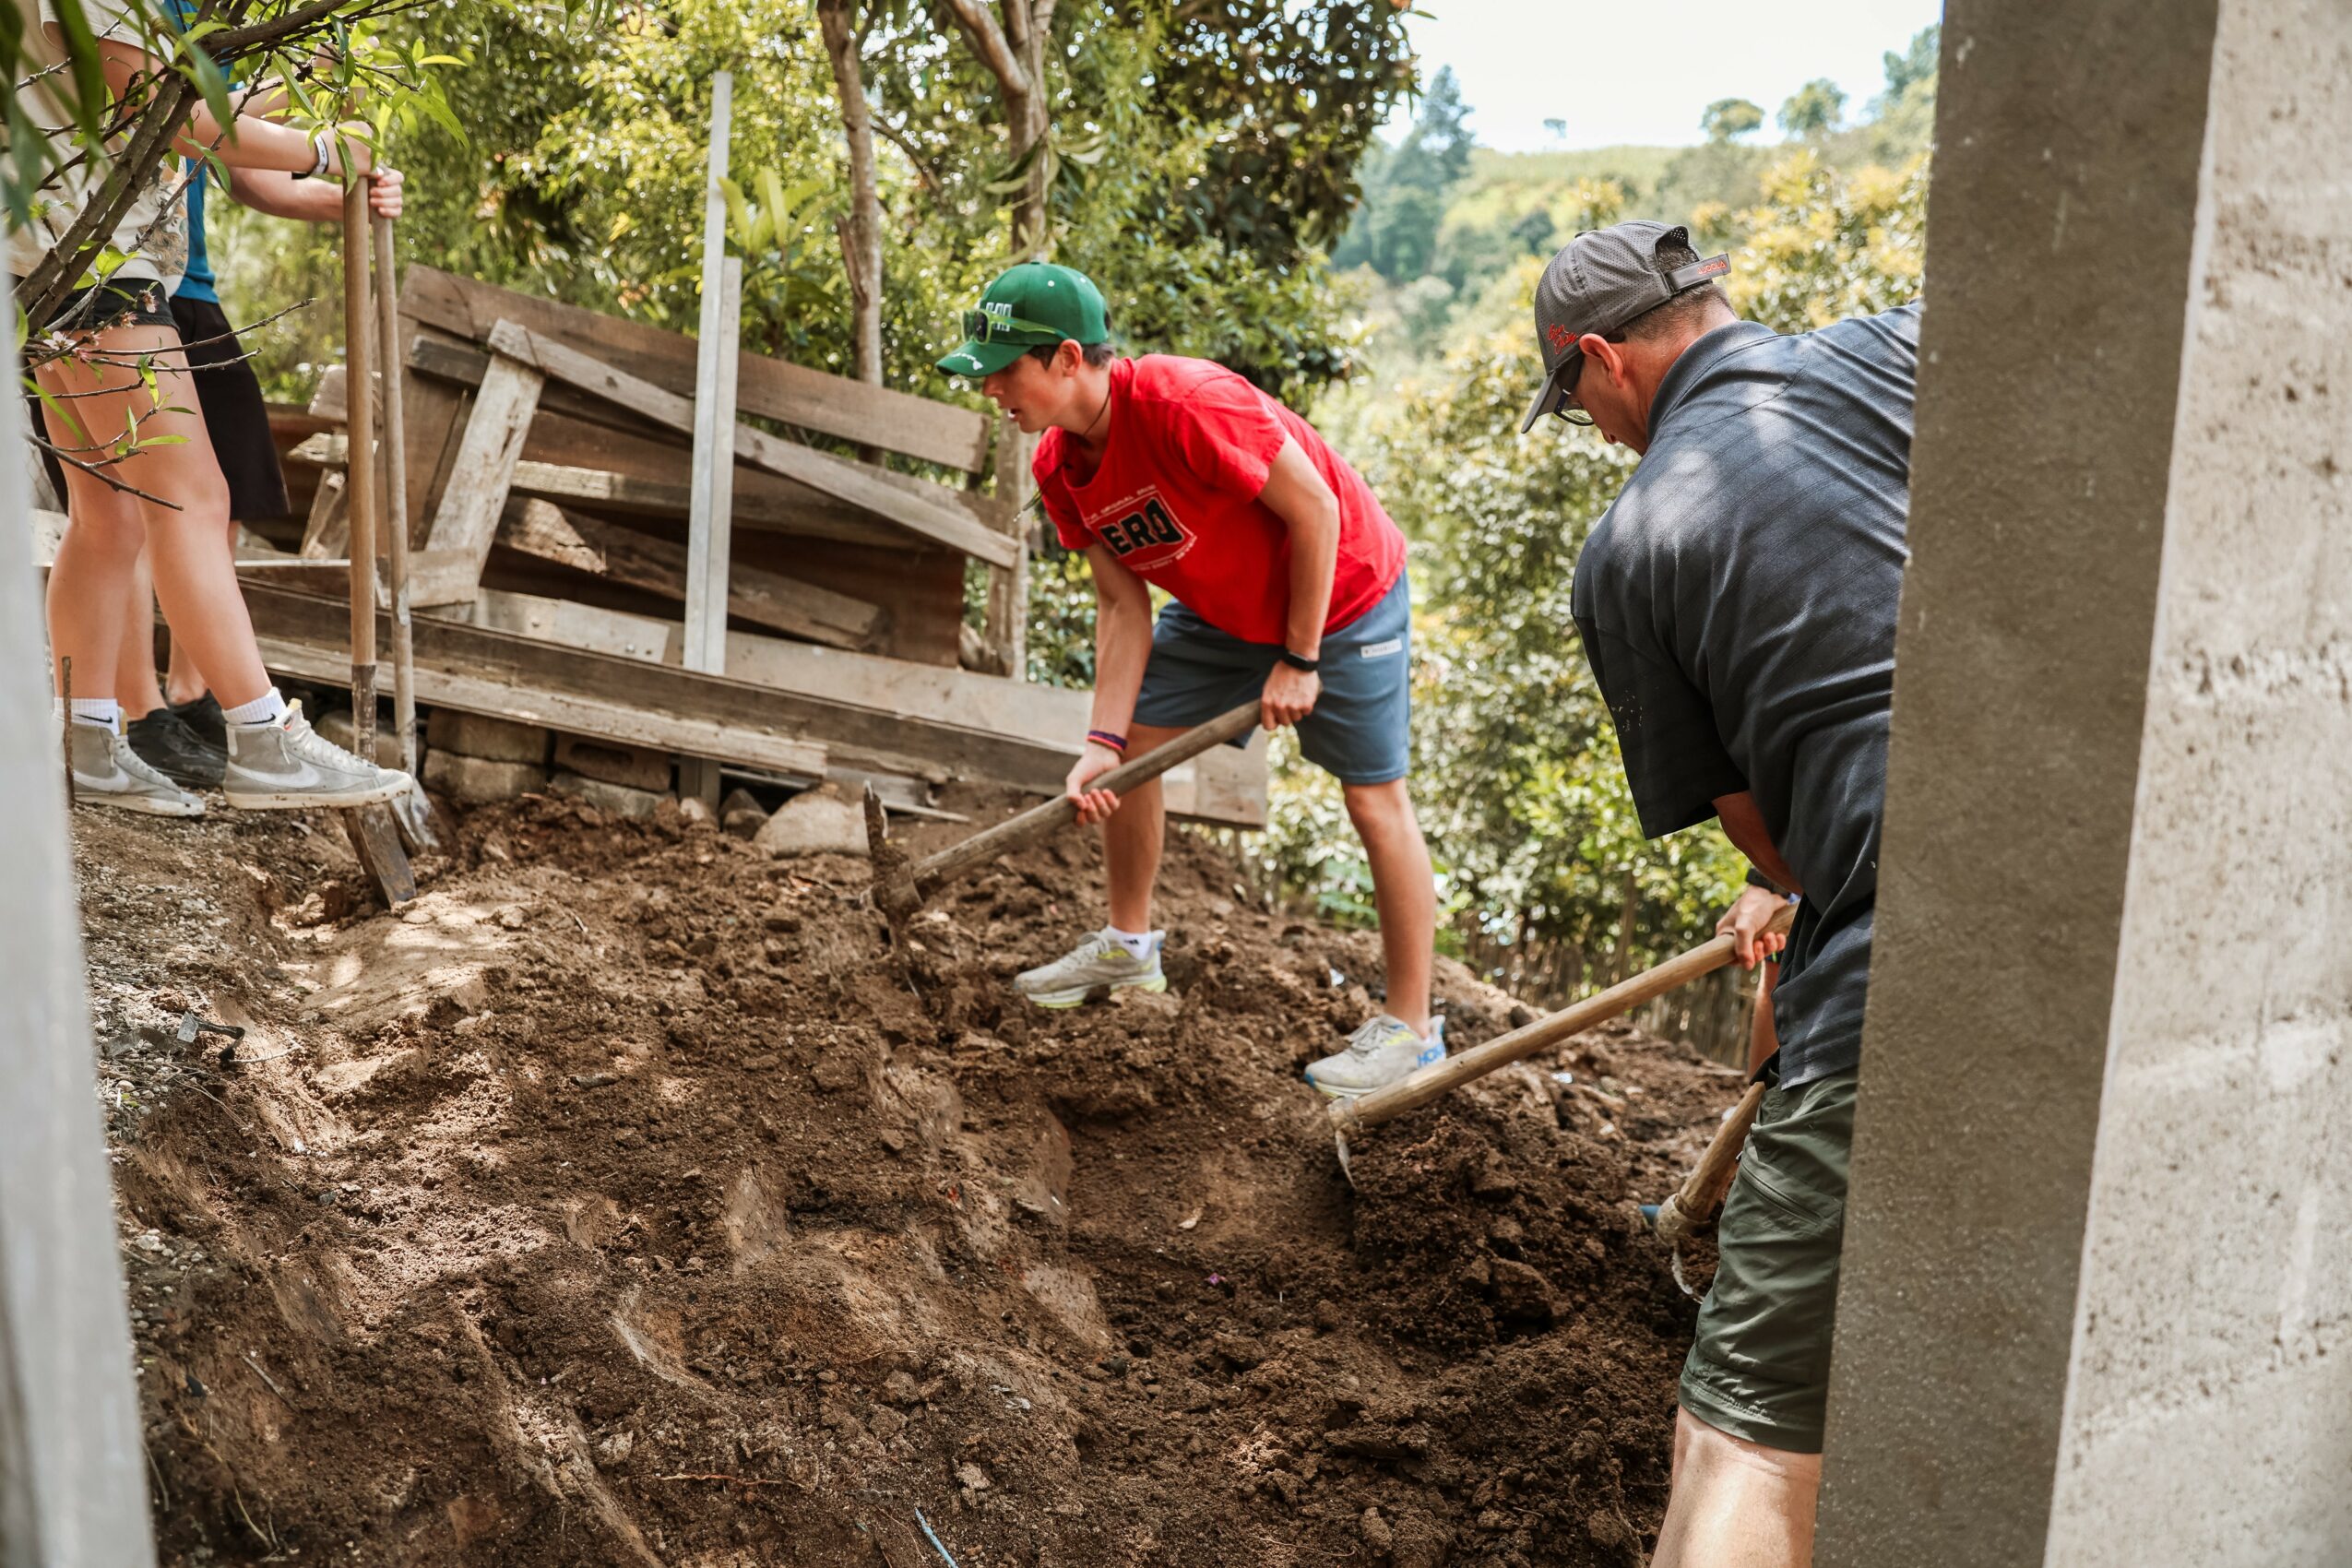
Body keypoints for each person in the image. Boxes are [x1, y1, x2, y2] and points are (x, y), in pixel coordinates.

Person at [1522, 219, 1918, 1565]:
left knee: (1736, 1437)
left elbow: (1781, 851)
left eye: (1573, 400)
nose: (1590, 430)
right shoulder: (1900, 352)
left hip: (1894, 967)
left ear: (1602, 359)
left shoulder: (1630, 547)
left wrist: (1804, 874)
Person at [937, 262, 1443, 1095]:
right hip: (1223, 610)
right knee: (1135, 744)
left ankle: (1412, 1030)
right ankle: (1129, 948)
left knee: (1373, 799)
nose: (990, 389)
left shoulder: (1187, 403)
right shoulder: (1058, 468)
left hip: (1344, 593)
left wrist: (1301, 659)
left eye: (1002, 370)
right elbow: (1121, 606)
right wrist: (1102, 743)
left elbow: (1316, 509)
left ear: (1067, 358)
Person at [19, 0, 413, 816]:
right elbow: (173, 118)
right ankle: (264, 740)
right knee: (192, 498)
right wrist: (324, 148)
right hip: (95, 259)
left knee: (110, 516)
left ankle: (85, 746)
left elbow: (171, 99)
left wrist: (295, 91)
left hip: (53, 256)